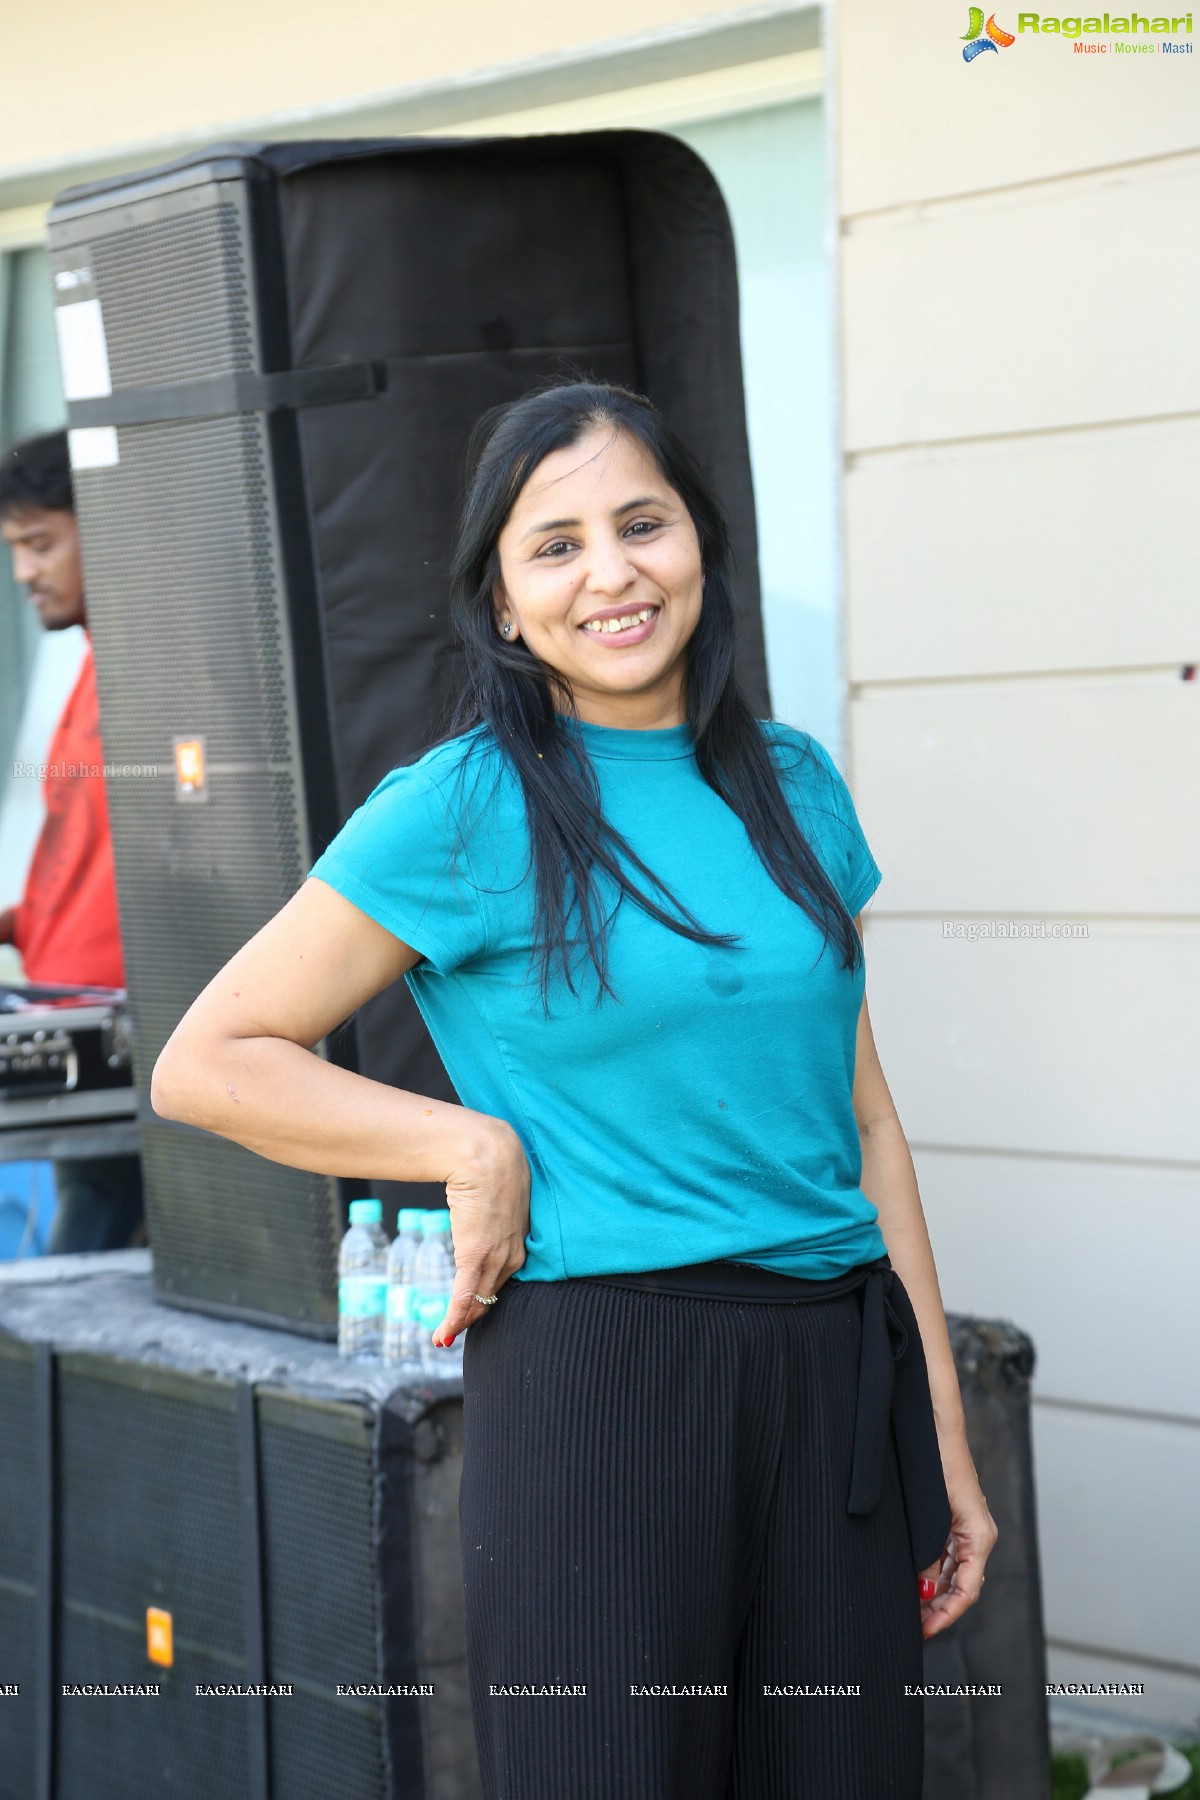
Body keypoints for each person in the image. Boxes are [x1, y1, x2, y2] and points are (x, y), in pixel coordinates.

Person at [150, 380, 998, 1798]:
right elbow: (207, 1064)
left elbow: (866, 1128)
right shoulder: (463, 805)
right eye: (554, 544)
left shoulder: (797, 787)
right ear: (501, 602)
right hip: (608, 1384)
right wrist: (467, 1147)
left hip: (837, 1383)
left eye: (642, 523)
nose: (611, 572)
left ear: (700, 550)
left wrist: (949, 1451)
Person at [0, 431, 145, 1254]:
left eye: (40, 544)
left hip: (120, 1036)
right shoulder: (87, 668)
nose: (24, 572)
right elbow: (85, 868)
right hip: (62, 1024)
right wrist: (19, 921)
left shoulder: (148, 672)